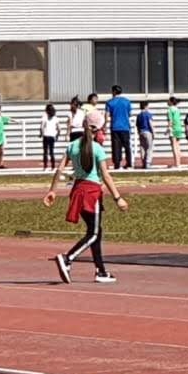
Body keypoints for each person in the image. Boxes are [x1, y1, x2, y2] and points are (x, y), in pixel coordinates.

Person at [43, 114, 128, 284]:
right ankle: (68, 258)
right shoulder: (98, 149)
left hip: (77, 190)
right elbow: (106, 176)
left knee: (95, 231)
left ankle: (100, 271)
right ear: (97, 129)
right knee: (94, 233)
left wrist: (52, 190)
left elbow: (59, 170)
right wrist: (118, 198)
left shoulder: (72, 146)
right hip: (91, 193)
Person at [105, 85, 134, 170]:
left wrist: (105, 125)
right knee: (127, 146)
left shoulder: (109, 102)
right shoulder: (127, 101)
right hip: (125, 127)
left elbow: (107, 115)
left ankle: (117, 164)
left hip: (115, 127)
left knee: (116, 146)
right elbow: (130, 114)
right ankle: (129, 163)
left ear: (114, 91)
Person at [164, 97, 186, 168]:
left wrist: (167, 129)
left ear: (171, 102)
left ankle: (177, 164)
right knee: (178, 146)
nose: (167, 102)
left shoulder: (170, 109)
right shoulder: (177, 109)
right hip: (179, 128)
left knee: (174, 146)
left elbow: (170, 120)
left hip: (173, 128)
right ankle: (179, 163)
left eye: (168, 101)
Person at [39, 104, 62, 171]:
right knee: (51, 152)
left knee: (45, 152)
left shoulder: (44, 117)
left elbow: (41, 127)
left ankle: (45, 167)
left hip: (46, 136)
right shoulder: (55, 118)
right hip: (52, 136)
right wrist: (57, 135)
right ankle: (53, 166)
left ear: (46, 110)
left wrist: (41, 134)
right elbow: (59, 129)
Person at [136, 101, 155, 170]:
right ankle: (148, 162)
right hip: (147, 131)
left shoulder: (139, 115)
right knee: (149, 147)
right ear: (145, 106)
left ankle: (143, 162)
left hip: (141, 132)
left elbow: (137, 125)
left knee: (142, 148)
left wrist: (139, 132)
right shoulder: (148, 114)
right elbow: (150, 123)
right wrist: (153, 132)